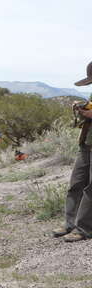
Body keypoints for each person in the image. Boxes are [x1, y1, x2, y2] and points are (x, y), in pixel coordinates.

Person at [53, 61, 92, 242]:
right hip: (86, 144)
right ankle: (70, 223)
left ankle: (84, 228)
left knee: (90, 187)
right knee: (76, 183)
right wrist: (83, 109)